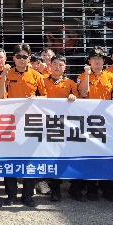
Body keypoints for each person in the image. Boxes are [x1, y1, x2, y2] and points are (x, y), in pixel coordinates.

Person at [0, 43, 47, 208]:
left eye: (25, 57)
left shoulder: (36, 75)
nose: (22, 59)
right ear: (14, 58)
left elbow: (45, 97)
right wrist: (4, 74)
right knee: (10, 159)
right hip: (10, 122)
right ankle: (11, 195)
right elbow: (0, 96)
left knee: (29, 160)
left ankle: (27, 195)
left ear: (29, 58)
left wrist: (36, 99)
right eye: (19, 57)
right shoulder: (8, 73)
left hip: (31, 122)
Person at [73, 46, 113, 203]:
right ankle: (91, 189)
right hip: (88, 121)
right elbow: (83, 93)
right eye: (94, 58)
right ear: (89, 61)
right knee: (89, 155)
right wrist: (87, 75)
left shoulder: (111, 77)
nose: (97, 61)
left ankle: (108, 190)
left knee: (107, 155)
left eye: (100, 58)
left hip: (106, 122)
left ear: (104, 61)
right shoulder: (82, 76)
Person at [42, 55, 79, 202]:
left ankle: (74, 189)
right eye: (55, 64)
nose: (57, 67)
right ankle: (55, 190)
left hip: (68, 125)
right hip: (48, 125)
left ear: (65, 67)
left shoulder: (70, 83)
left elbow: (81, 101)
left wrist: (73, 97)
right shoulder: (42, 81)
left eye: (61, 64)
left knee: (71, 156)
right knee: (52, 157)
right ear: (50, 66)